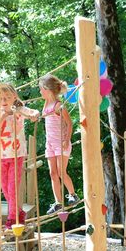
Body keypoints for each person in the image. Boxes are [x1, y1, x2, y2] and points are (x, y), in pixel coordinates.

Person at [39, 74, 80, 214]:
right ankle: (58, 202)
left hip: (61, 143)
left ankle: (73, 195)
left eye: (41, 89)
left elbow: (69, 123)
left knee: (61, 171)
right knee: (53, 173)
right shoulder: (46, 104)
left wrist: (66, 140)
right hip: (50, 144)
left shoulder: (58, 106)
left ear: (47, 89)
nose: (40, 92)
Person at [0, 84, 40, 229]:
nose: (4, 100)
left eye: (8, 97)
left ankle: (13, 218)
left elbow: (32, 112)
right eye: (1, 98)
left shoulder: (19, 109)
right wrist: (4, 115)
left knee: (13, 187)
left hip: (17, 154)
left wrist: (34, 114)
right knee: (4, 187)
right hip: (1, 155)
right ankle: (19, 212)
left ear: (14, 97)